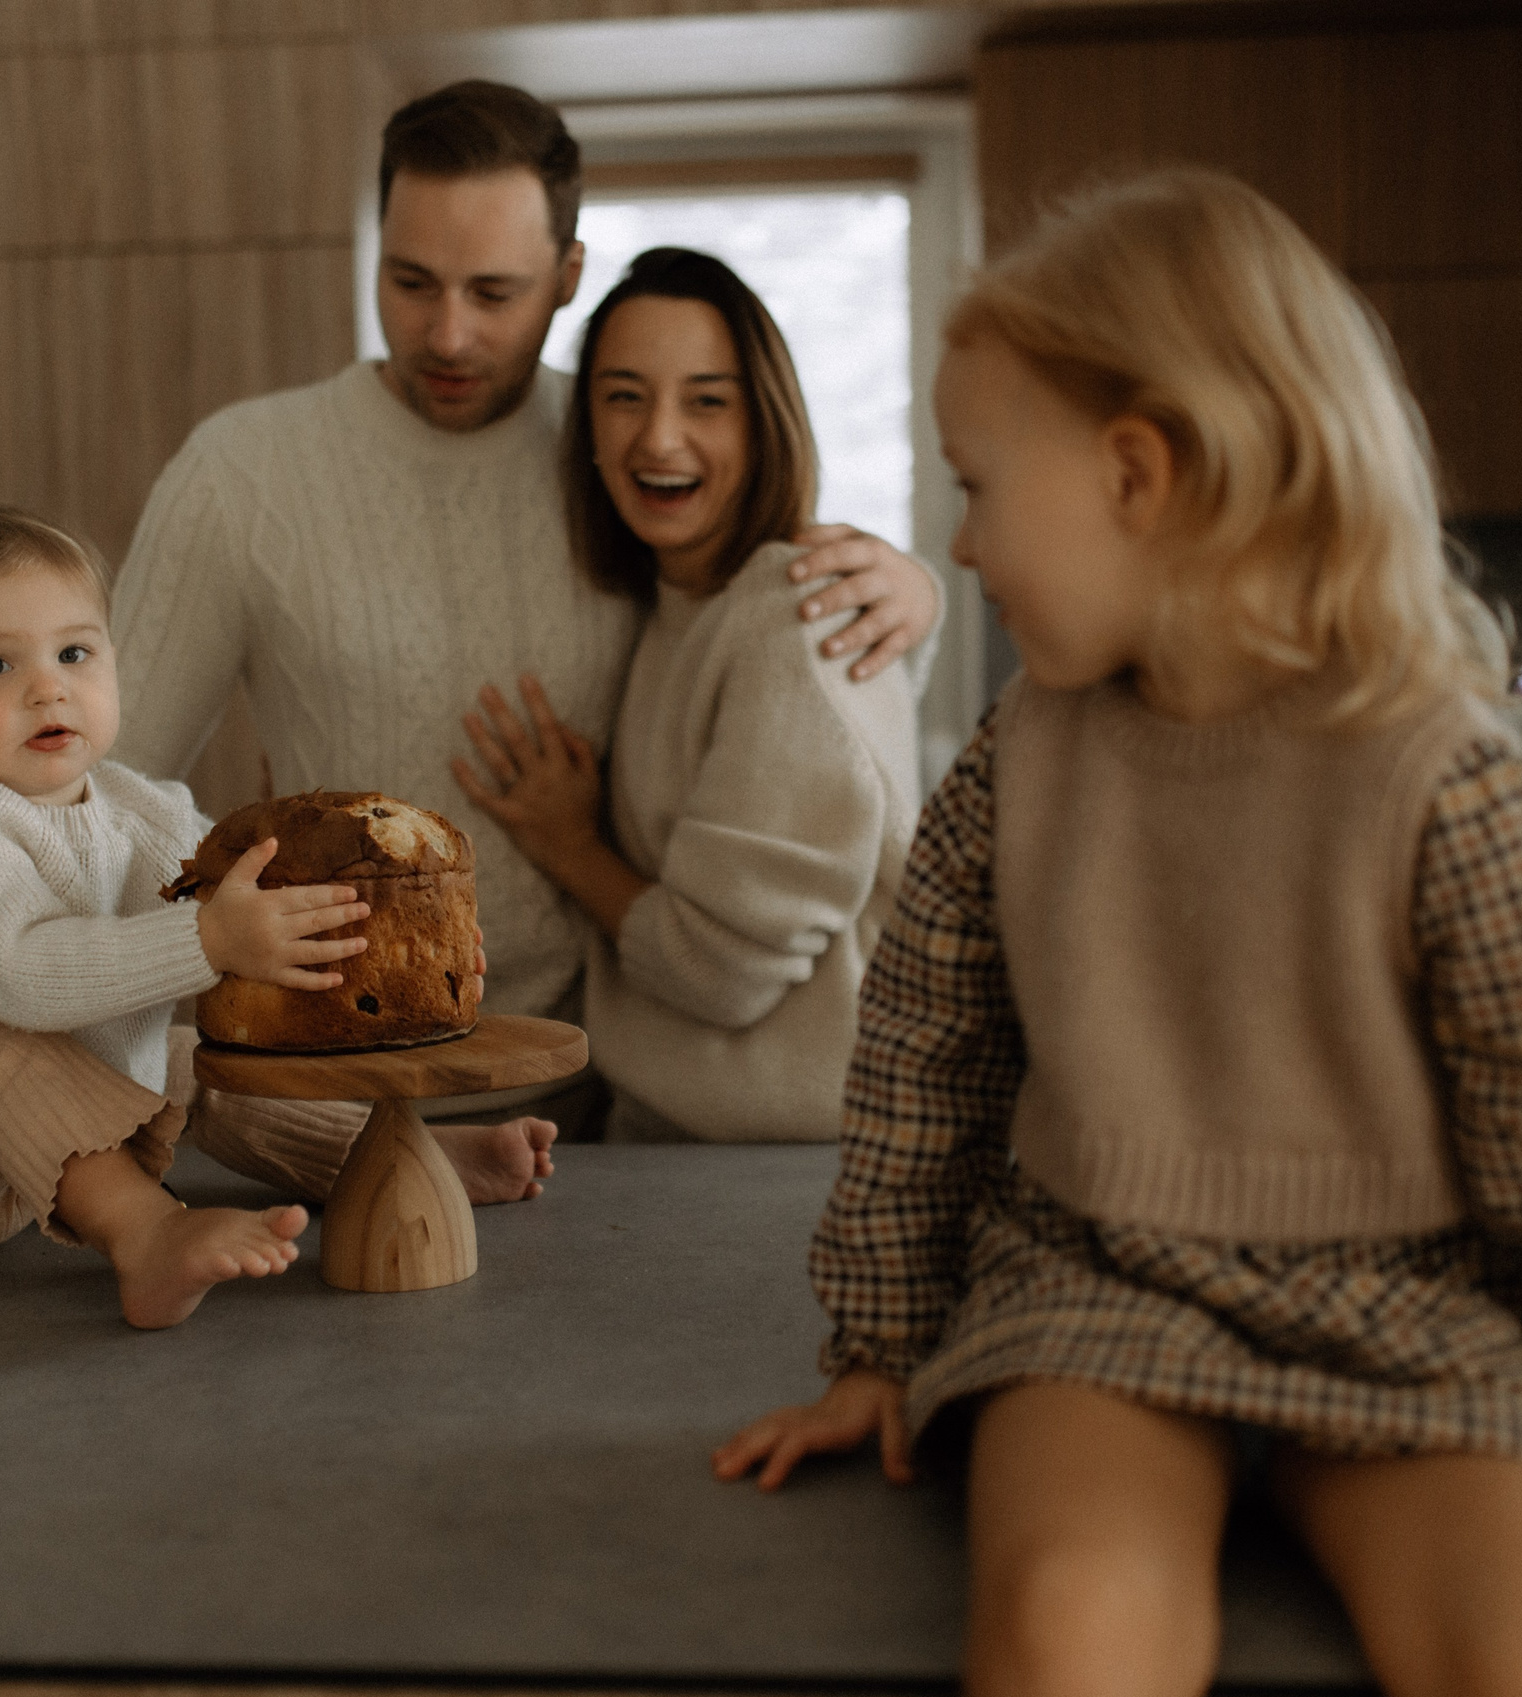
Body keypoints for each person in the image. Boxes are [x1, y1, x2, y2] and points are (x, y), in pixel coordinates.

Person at [712, 171, 1522, 1697]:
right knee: (1072, 1623)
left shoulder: (1443, 781)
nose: (963, 546)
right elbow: (927, 1053)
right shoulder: (1023, 751)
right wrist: (880, 1341)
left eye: (978, 486)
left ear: (1139, 473)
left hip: (1412, 1316)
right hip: (1099, 1294)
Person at [103, 80, 942, 1178]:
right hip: (346, 1106)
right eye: (410, 282)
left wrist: (913, 590)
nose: (447, 332)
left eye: (494, 291)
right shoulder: (242, 475)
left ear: (567, 278)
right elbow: (95, 789)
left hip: (619, 1099)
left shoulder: (617, 451)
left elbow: (753, 641)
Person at [0, 506, 552, 1329]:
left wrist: (394, 951)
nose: (47, 686)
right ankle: (147, 1235)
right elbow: (25, 977)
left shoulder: (144, 809)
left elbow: (256, 914)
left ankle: (386, 1154)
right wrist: (208, 938)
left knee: (186, 1057)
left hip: (11, 1172)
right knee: (3, 1051)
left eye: (74, 652)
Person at [450, 249, 918, 1144]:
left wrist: (569, 844)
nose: (659, 438)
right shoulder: (672, 606)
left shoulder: (797, 616)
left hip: (791, 1165)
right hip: (677, 1142)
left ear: (766, 421)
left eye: (708, 400)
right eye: (624, 396)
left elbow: (721, 973)